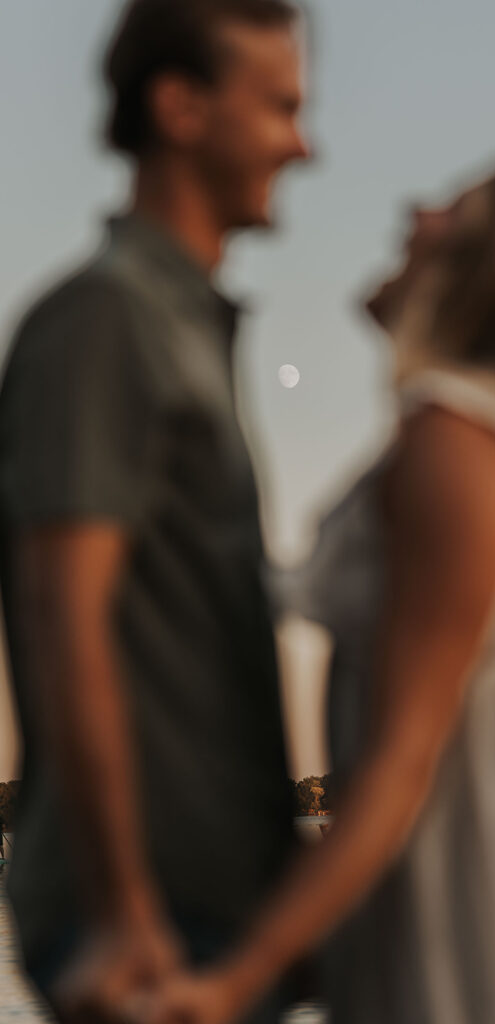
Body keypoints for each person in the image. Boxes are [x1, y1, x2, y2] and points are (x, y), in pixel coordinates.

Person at [147, 162, 495, 1024]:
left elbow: (402, 760)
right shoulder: (465, 436)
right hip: (478, 876)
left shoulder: (456, 437)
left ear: (491, 269)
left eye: (452, 211)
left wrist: (238, 977)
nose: (416, 209)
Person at [0, 1, 309, 1022]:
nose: (301, 146)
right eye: (278, 107)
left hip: (214, 912)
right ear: (178, 106)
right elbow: (63, 616)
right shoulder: (107, 317)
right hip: (150, 930)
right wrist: (123, 913)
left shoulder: (181, 329)